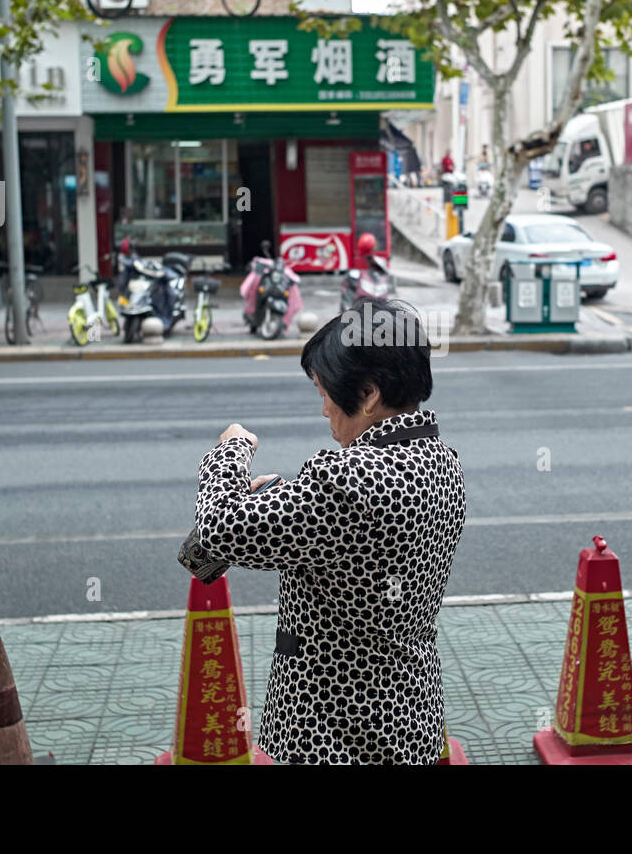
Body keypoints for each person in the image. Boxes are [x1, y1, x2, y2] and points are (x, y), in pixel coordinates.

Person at [191, 297, 466, 765]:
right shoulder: (442, 462)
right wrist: (283, 502)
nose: (323, 410)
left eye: (324, 393)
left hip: (336, 727)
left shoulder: (349, 479)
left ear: (368, 394)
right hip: (412, 707)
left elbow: (218, 528)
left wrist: (232, 449)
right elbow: (355, 550)